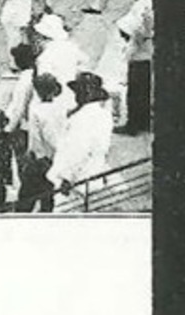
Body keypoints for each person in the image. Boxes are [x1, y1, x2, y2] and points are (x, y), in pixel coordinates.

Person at [48, 72, 116, 199]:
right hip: (94, 173)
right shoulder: (104, 115)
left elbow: (78, 151)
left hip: (76, 181)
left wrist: (66, 179)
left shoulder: (82, 119)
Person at [16, 73, 69, 213]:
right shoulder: (60, 107)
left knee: (27, 196)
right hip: (49, 158)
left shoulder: (36, 109)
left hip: (40, 159)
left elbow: (48, 136)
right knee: (47, 195)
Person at [116, 0, 153, 134]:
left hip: (139, 49)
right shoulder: (151, 0)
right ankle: (144, 121)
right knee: (145, 88)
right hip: (150, 48)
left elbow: (129, 28)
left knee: (135, 89)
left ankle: (133, 125)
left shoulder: (139, 5)